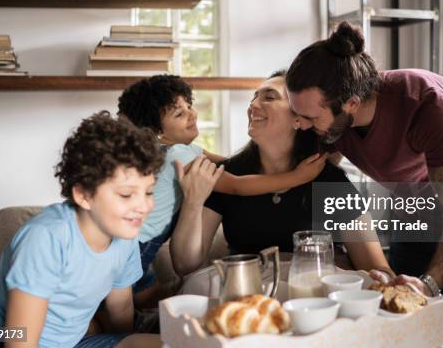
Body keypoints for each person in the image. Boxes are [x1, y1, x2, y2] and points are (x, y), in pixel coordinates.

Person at [285, 21, 443, 348]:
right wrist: (334, 253)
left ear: (351, 102)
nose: (300, 124)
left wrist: (427, 284)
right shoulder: (334, 124)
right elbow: (311, 179)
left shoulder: (426, 104)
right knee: (408, 327)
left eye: (309, 118)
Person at [0, 111, 165, 348]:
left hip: (63, 339)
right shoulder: (46, 238)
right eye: (127, 194)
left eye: (148, 192)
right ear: (84, 195)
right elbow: (19, 339)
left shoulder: (123, 233)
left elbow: (121, 308)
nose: (144, 206)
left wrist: (115, 340)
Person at [117, 75, 327, 306]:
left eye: (189, 106)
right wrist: (296, 177)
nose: (192, 113)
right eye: (179, 113)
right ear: (158, 133)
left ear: (300, 118)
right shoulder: (177, 154)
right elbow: (236, 184)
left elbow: (226, 163)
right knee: (123, 303)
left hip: (133, 240)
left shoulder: (183, 151)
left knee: (135, 299)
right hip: (137, 245)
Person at [169, 71, 395, 280]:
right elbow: (185, 264)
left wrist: (385, 281)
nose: (253, 105)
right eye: (254, 97)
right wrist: (193, 201)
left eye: (269, 97)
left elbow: (375, 267)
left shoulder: (330, 181)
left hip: (314, 302)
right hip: (248, 298)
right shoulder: (228, 176)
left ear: (299, 119)